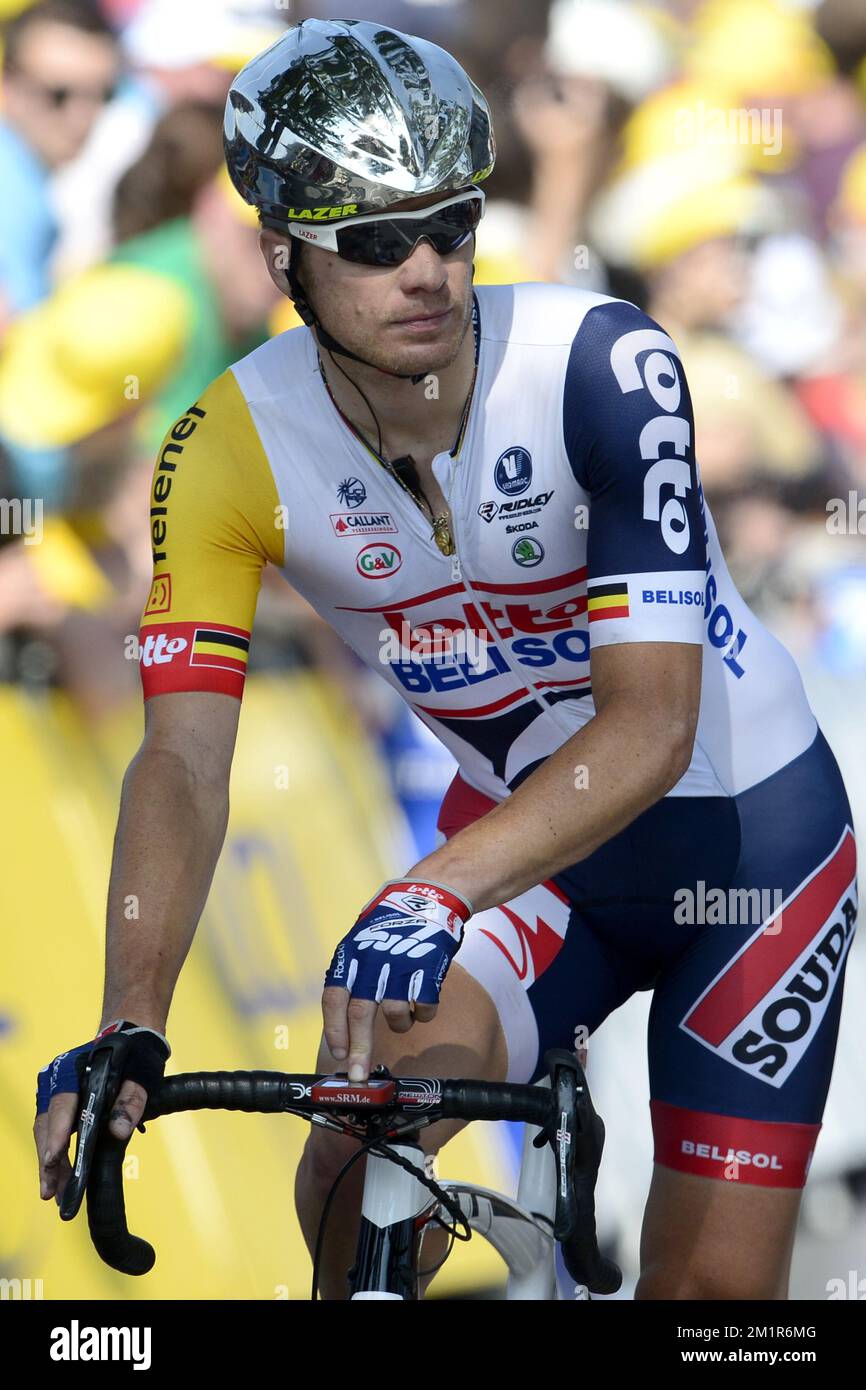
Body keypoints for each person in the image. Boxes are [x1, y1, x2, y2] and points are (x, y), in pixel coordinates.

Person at [35, 18, 858, 1302]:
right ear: (280, 255)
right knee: (355, 1161)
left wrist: (433, 890)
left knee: (707, 1311)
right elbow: (183, 758)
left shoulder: (601, 363)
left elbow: (647, 727)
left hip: (748, 849)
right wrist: (125, 1014)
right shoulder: (226, 448)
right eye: (371, 240)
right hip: (535, 854)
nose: (424, 268)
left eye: (451, 225)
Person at [0, 0, 119, 322]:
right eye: (59, 95)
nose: (83, 116)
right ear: (8, 83)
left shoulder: (27, 184)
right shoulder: (13, 194)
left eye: (103, 94)